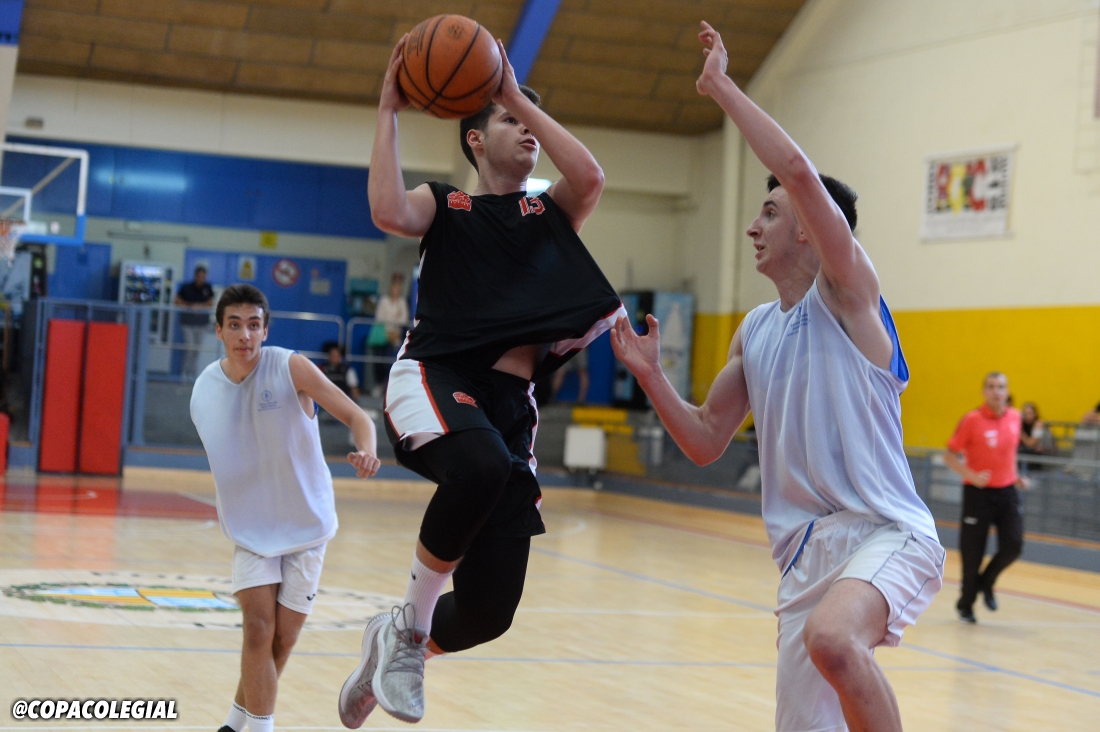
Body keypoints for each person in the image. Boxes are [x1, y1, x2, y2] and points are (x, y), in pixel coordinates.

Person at [610, 23, 944, 732]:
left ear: (810, 231)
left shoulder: (849, 294)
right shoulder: (755, 330)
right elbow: (706, 438)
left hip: (885, 531)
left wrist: (721, 87)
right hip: (802, 559)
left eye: (769, 212)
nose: (754, 227)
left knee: (836, 640)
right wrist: (651, 375)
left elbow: (795, 169)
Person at [337, 35, 624, 727]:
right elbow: (387, 211)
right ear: (473, 139)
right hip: (437, 374)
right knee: (481, 465)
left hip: (509, 406)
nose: (527, 130)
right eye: (508, 120)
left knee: (490, 611)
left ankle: (390, 643)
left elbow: (589, 177)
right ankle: (408, 636)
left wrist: (516, 94)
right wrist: (387, 109)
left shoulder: (549, 214)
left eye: (530, 122)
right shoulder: (445, 206)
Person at [191, 284, 381, 732]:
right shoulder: (205, 391)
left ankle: (234, 724)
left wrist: (367, 451)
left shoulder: (289, 367)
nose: (244, 335)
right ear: (219, 331)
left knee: (282, 640)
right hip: (252, 531)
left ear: (265, 330)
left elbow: (359, 417)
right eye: (234, 325)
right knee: (258, 629)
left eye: (253, 325)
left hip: (307, 524)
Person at [944, 372, 1027, 624]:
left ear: (1007, 391)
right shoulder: (972, 419)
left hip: (1007, 492)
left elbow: (1009, 453)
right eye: (991, 387)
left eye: (1000, 386)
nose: (996, 391)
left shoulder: (1015, 417)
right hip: (977, 493)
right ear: (983, 391)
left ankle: (987, 582)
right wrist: (971, 475)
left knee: (1013, 545)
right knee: (972, 554)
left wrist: (1016, 476)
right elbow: (950, 456)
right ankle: (966, 604)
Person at [370, 274, 409, 394]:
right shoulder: (384, 300)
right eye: (393, 289)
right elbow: (379, 317)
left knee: (391, 363)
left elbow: (404, 319)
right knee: (379, 362)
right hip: (382, 335)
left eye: (398, 289)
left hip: (395, 337)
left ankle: (389, 388)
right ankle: (378, 385)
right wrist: (393, 321)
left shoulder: (402, 302)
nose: (395, 291)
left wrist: (393, 322)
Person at [175, 265, 214, 379]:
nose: (201, 279)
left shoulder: (208, 288)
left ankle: (192, 375)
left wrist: (199, 306)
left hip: (202, 325)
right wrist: (190, 306)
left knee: (197, 350)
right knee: (189, 348)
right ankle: (184, 374)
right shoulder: (186, 287)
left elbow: (210, 303)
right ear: (195, 276)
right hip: (187, 324)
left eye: (203, 277)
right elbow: (177, 301)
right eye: (199, 276)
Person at [1018, 401, 1046, 471]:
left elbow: (1030, 443)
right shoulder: (1022, 423)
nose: (1027, 416)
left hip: (1041, 456)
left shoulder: (1038, 424)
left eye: (1029, 413)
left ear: (1035, 414)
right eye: (1025, 414)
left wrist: (1020, 431)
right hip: (1026, 452)